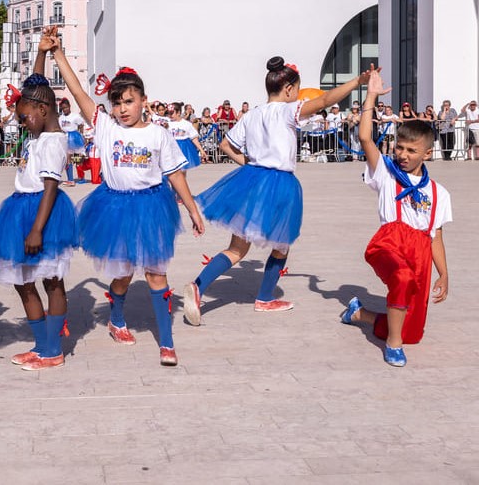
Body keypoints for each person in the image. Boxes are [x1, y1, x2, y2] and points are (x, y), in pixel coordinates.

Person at [46, 26, 205, 366]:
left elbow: (175, 173)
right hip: (114, 206)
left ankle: (167, 341)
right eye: (117, 103)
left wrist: (191, 208)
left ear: (144, 101)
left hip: (151, 206)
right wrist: (59, 54)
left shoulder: (159, 135)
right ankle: (116, 318)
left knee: (156, 274)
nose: (122, 109)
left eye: (129, 101)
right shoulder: (106, 127)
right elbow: (77, 92)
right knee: (123, 273)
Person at [183, 57, 370, 325]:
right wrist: (358, 82)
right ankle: (265, 298)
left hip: (251, 179)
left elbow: (225, 145)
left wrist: (250, 165)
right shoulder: (287, 110)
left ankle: (199, 286)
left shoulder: (252, 114)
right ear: (289, 89)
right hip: (280, 183)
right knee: (282, 244)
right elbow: (326, 100)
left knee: (237, 248)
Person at [341, 68, 451, 367]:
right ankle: (392, 345)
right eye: (400, 147)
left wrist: (443, 272)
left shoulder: (439, 193)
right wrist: (371, 95)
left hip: (420, 253)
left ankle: (359, 314)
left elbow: (436, 236)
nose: (403, 154)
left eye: (411, 150)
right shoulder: (387, 175)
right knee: (400, 279)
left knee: (412, 331)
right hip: (389, 242)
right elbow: (365, 137)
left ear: (426, 154)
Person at [0, 63, 77, 370]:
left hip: (42, 213)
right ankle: (41, 344)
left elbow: (51, 187)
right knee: (23, 282)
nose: (22, 123)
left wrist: (37, 230)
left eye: (24, 117)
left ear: (41, 109)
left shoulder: (53, 141)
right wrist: (39, 53)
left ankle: (53, 349)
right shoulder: (37, 132)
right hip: (20, 208)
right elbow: (33, 87)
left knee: (52, 280)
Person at [167, 101, 206, 168]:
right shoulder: (167, 123)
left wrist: (201, 150)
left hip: (183, 148)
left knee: (182, 170)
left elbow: (194, 138)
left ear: (178, 112)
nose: (170, 115)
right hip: (171, 148)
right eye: (168, 113)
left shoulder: (186, 124)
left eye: (172, 113)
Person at [58, 98, 85, 186]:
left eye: (66, 107)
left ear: (69, 106)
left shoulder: (75, 116)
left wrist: (81, 134)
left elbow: (81, 124)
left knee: (77, 158)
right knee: (67, 158)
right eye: (63, 108)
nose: (65, 110)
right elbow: (60, 128)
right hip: (65, 137)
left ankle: (81, 177)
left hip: (74, 137)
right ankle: (70, 179)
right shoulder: (61, 118)